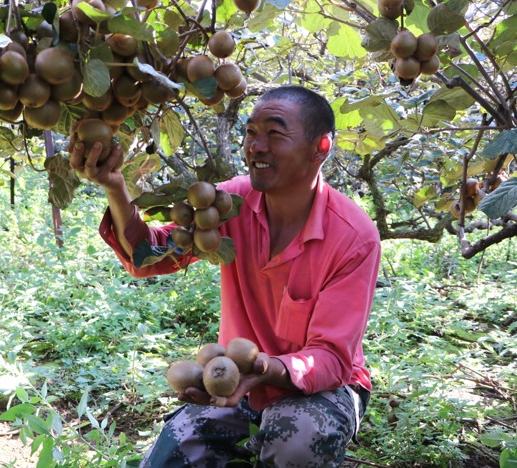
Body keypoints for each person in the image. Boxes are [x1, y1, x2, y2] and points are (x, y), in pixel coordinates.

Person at [69, 85, 381, 467]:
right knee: (173, 453)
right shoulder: (228, 205)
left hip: (321, 389)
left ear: (320, 148)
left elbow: (330, 361)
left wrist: (261, 369)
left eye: (275, 133)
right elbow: (147, 258)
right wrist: (115, 188)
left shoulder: (353, 236)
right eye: (251, 132)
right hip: (236, 379)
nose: (256, 146)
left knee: (296, 440)